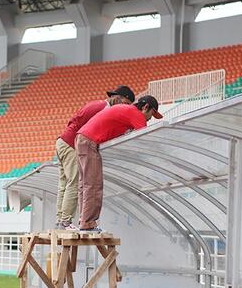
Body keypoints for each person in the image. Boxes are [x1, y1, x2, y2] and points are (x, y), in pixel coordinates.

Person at [75, 95, 163, 233]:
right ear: (146, 107)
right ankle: (88, 224)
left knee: (85, 184)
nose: (150, 119)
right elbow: (146, 140)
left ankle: (84, 221)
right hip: (89, 142)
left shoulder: (125, 110)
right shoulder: (136, 114)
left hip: (82, 138)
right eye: (151, 114)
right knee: (94, 184)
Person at [55, 85, 136, 230]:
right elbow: (80, 125)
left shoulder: (98, 106)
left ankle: (61, 220)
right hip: (70, 144)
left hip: (64, 142)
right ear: (118, 98)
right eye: (126, 103)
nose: (125, 107)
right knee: (75, 182)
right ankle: (65, 221)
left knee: (65, 184)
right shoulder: (100, 107)